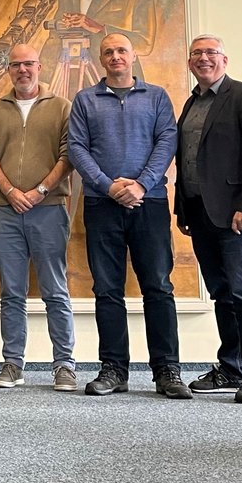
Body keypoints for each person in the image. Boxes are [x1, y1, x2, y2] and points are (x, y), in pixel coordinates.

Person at [68, 33, 189, 399]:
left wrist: (140, 185)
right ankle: (113, 369)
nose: (115, 56)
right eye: (108, 52)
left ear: (132, 55)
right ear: (101, 59)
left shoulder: (156, 97)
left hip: (148, 203)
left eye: (121, 50)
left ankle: (167, 370)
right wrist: (109, 187)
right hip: (102, 205)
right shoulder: (85, 99)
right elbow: (76, 147)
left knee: (158, 287)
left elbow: (167, 141)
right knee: (107, 290)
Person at [173, 35, 242, 404]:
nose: (203, 58)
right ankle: (231, 368)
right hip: (201, 212)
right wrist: (182, 210)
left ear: (224, 59)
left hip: (239, 215)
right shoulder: (191, 104)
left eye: (210, 52)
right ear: (189, 63)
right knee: (221, 294)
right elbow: (187, 159)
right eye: (197, 53)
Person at [0, 44, 76, 391]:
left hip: (48, 211)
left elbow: (69, 154)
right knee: (12, 293)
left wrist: (39, 192)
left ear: (40, 66)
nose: (23, 70)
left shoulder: (62, 107)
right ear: (9, 70)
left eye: (29, 63)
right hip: (4, 212)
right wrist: (11, 192)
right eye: (16, 65)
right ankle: (13, 364)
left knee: (55, 291)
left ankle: (64, 364)